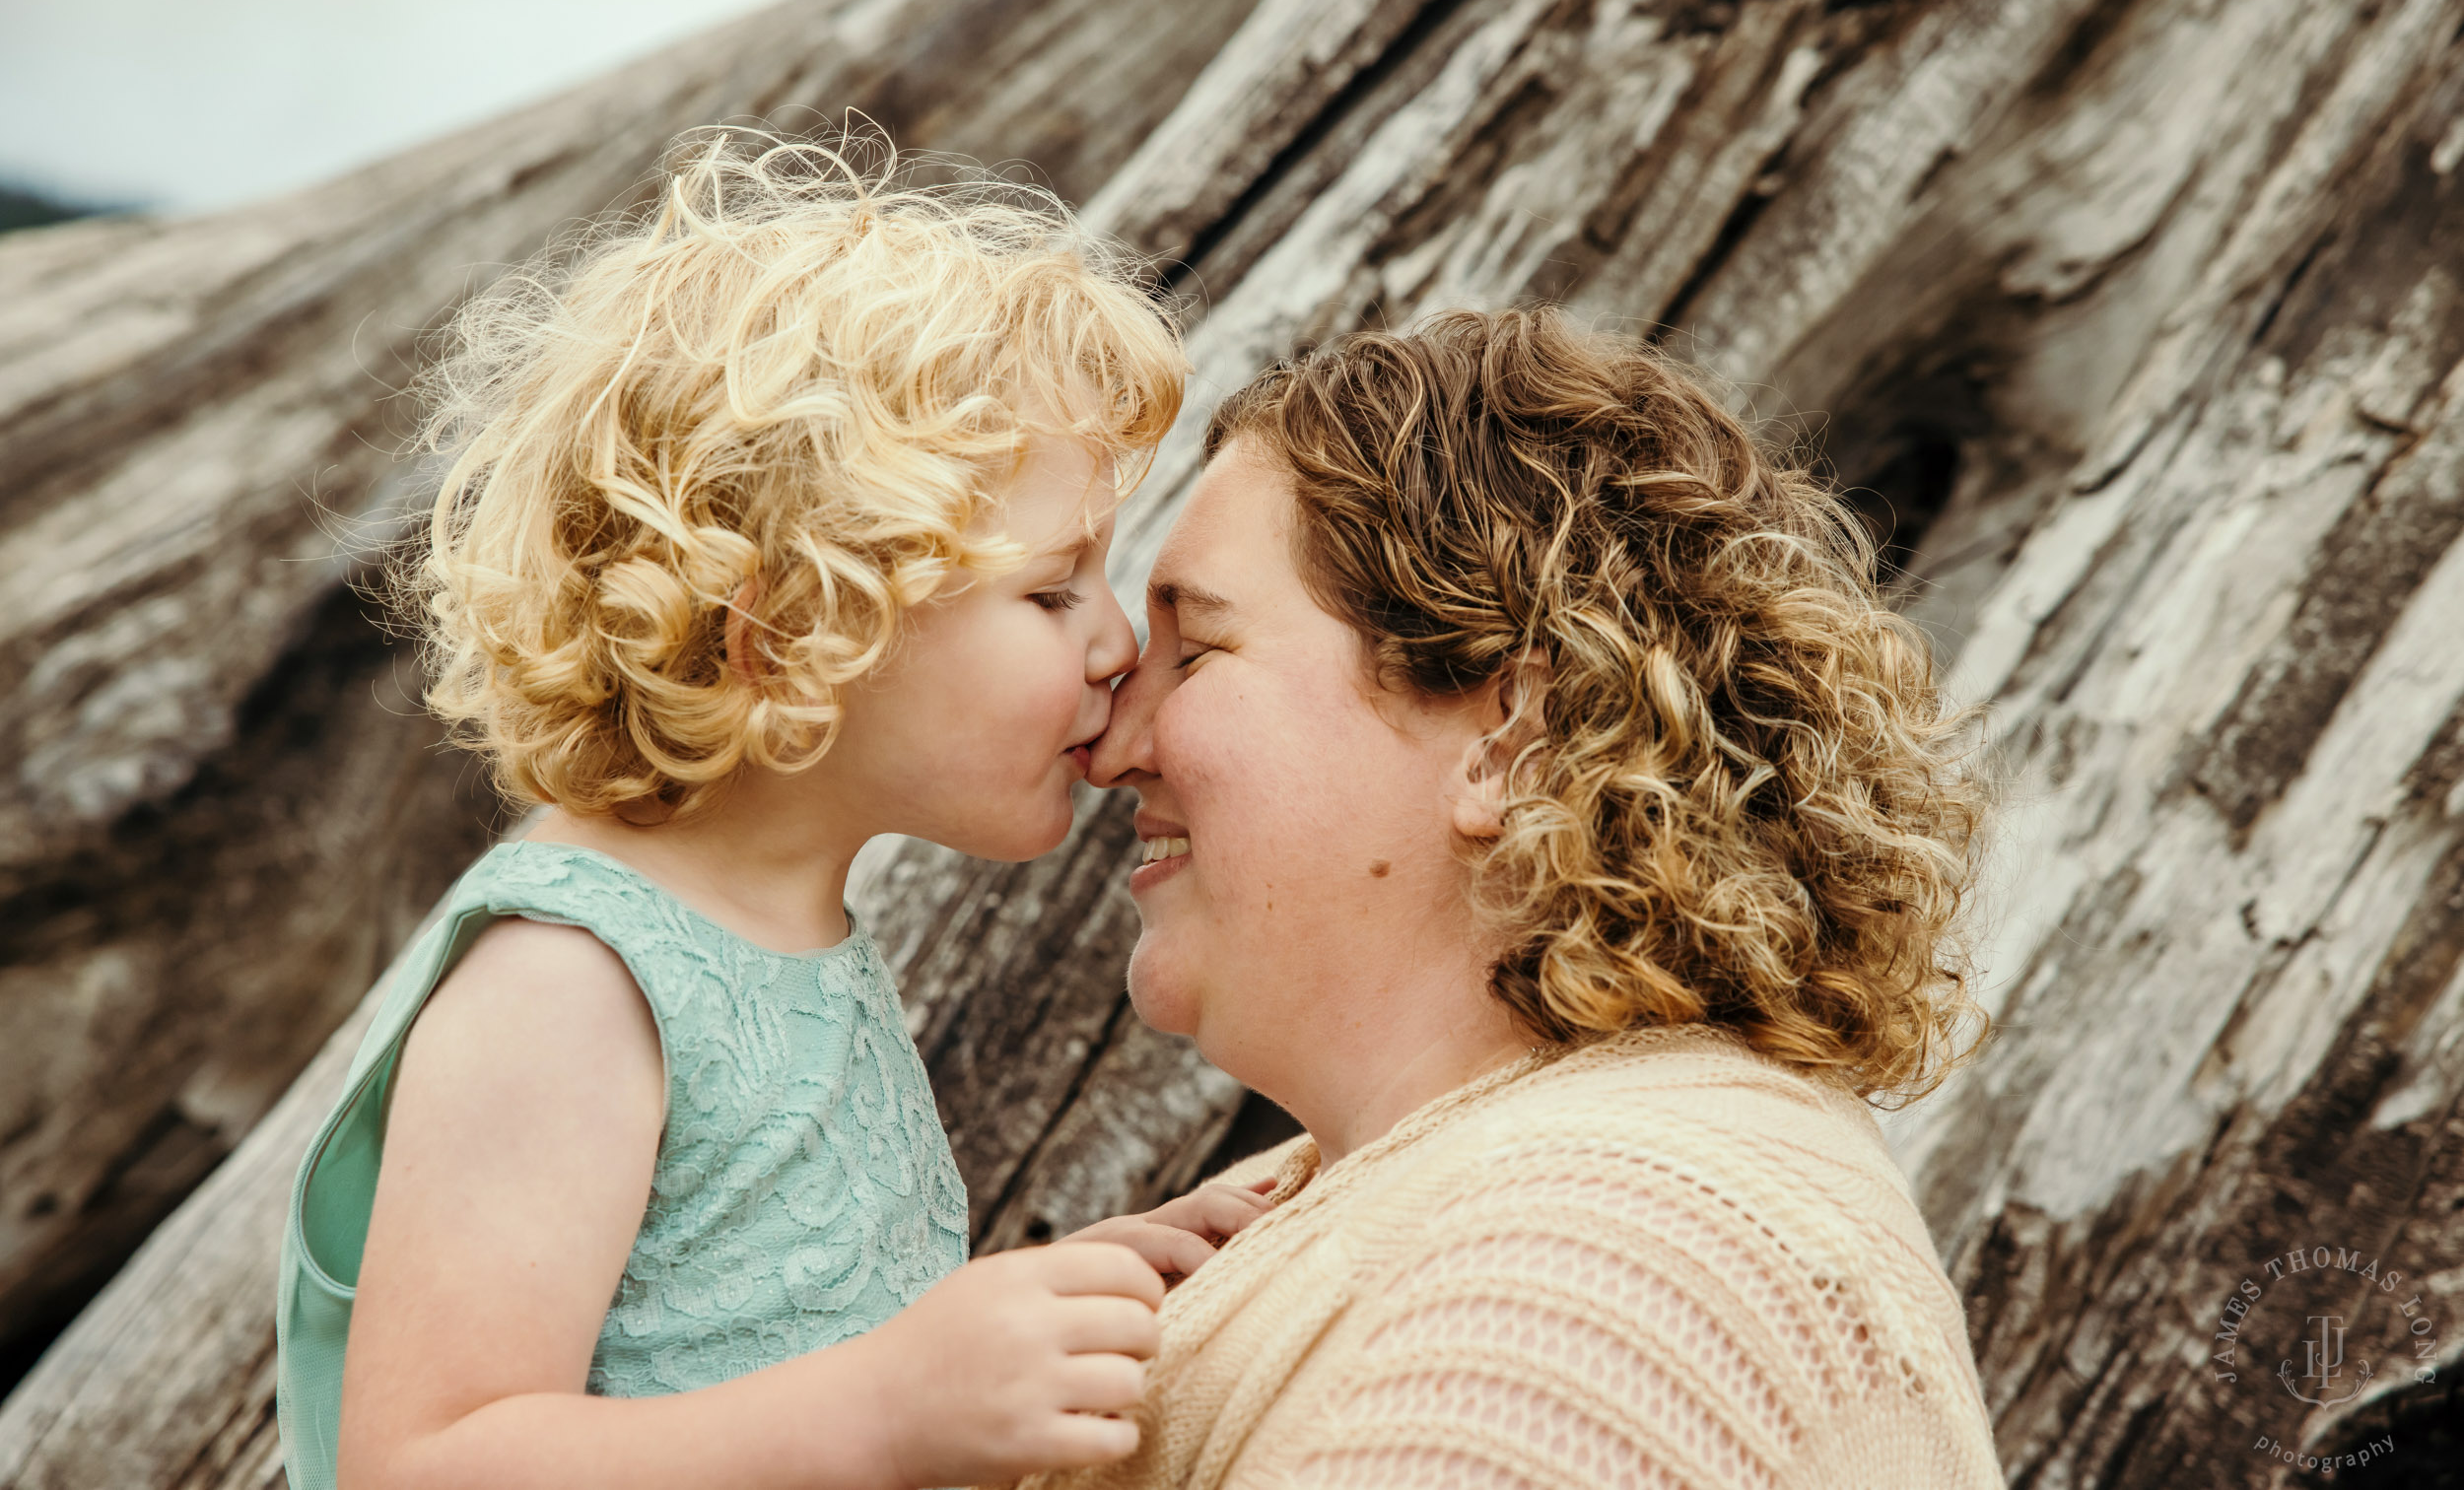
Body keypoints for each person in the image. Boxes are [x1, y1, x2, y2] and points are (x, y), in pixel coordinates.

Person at [273, 132, 1270, 1490]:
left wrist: (1067, 1297)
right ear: (795, 635)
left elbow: (753, 1340)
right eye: (1051, 590)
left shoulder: (780, 932)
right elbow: (426, 1458)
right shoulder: (570, 977)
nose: (1114, 643)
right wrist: (880, 1407)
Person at [1042, 307, 2003, 1489]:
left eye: (1198, 653)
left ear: (1507, 736)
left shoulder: (1617, 1268)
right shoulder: (1405, 1202)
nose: (1110, 741)